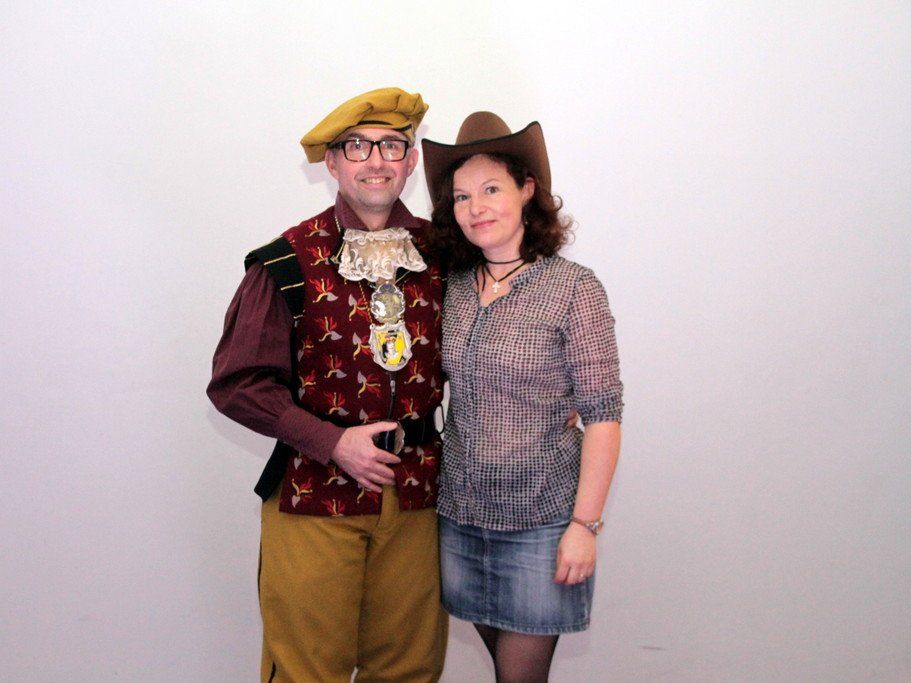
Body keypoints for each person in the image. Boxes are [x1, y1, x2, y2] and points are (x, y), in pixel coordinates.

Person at [206, 88, 448, 682]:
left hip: (419, 497)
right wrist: (333, 443)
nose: (376, 160)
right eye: (357, 146)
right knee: (307, 672)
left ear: (412, 161)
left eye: (392, 145)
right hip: (313, 492)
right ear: (333, 163)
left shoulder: (446, 254)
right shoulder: (285, 260)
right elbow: (237, 383)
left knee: (409, 670)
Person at [422, 112, 624, 683]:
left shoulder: (574, 288)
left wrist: (584, 526)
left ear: (527, 190)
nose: (475, 208)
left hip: (543, 522)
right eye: (462, 197)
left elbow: (604, 415)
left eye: (491, 189)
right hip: (460, 517)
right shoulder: (452, 287)